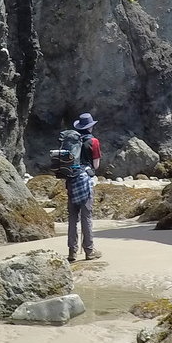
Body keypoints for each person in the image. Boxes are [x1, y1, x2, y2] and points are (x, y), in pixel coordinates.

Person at [67, 112, 102, 262]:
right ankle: (89, 250)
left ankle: (72, 252)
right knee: (86, 216)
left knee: (73, 217)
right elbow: (96, 165)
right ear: (90, 127)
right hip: (85, 180)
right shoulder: (93, 142)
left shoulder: (71, 141)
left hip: (71, 179)